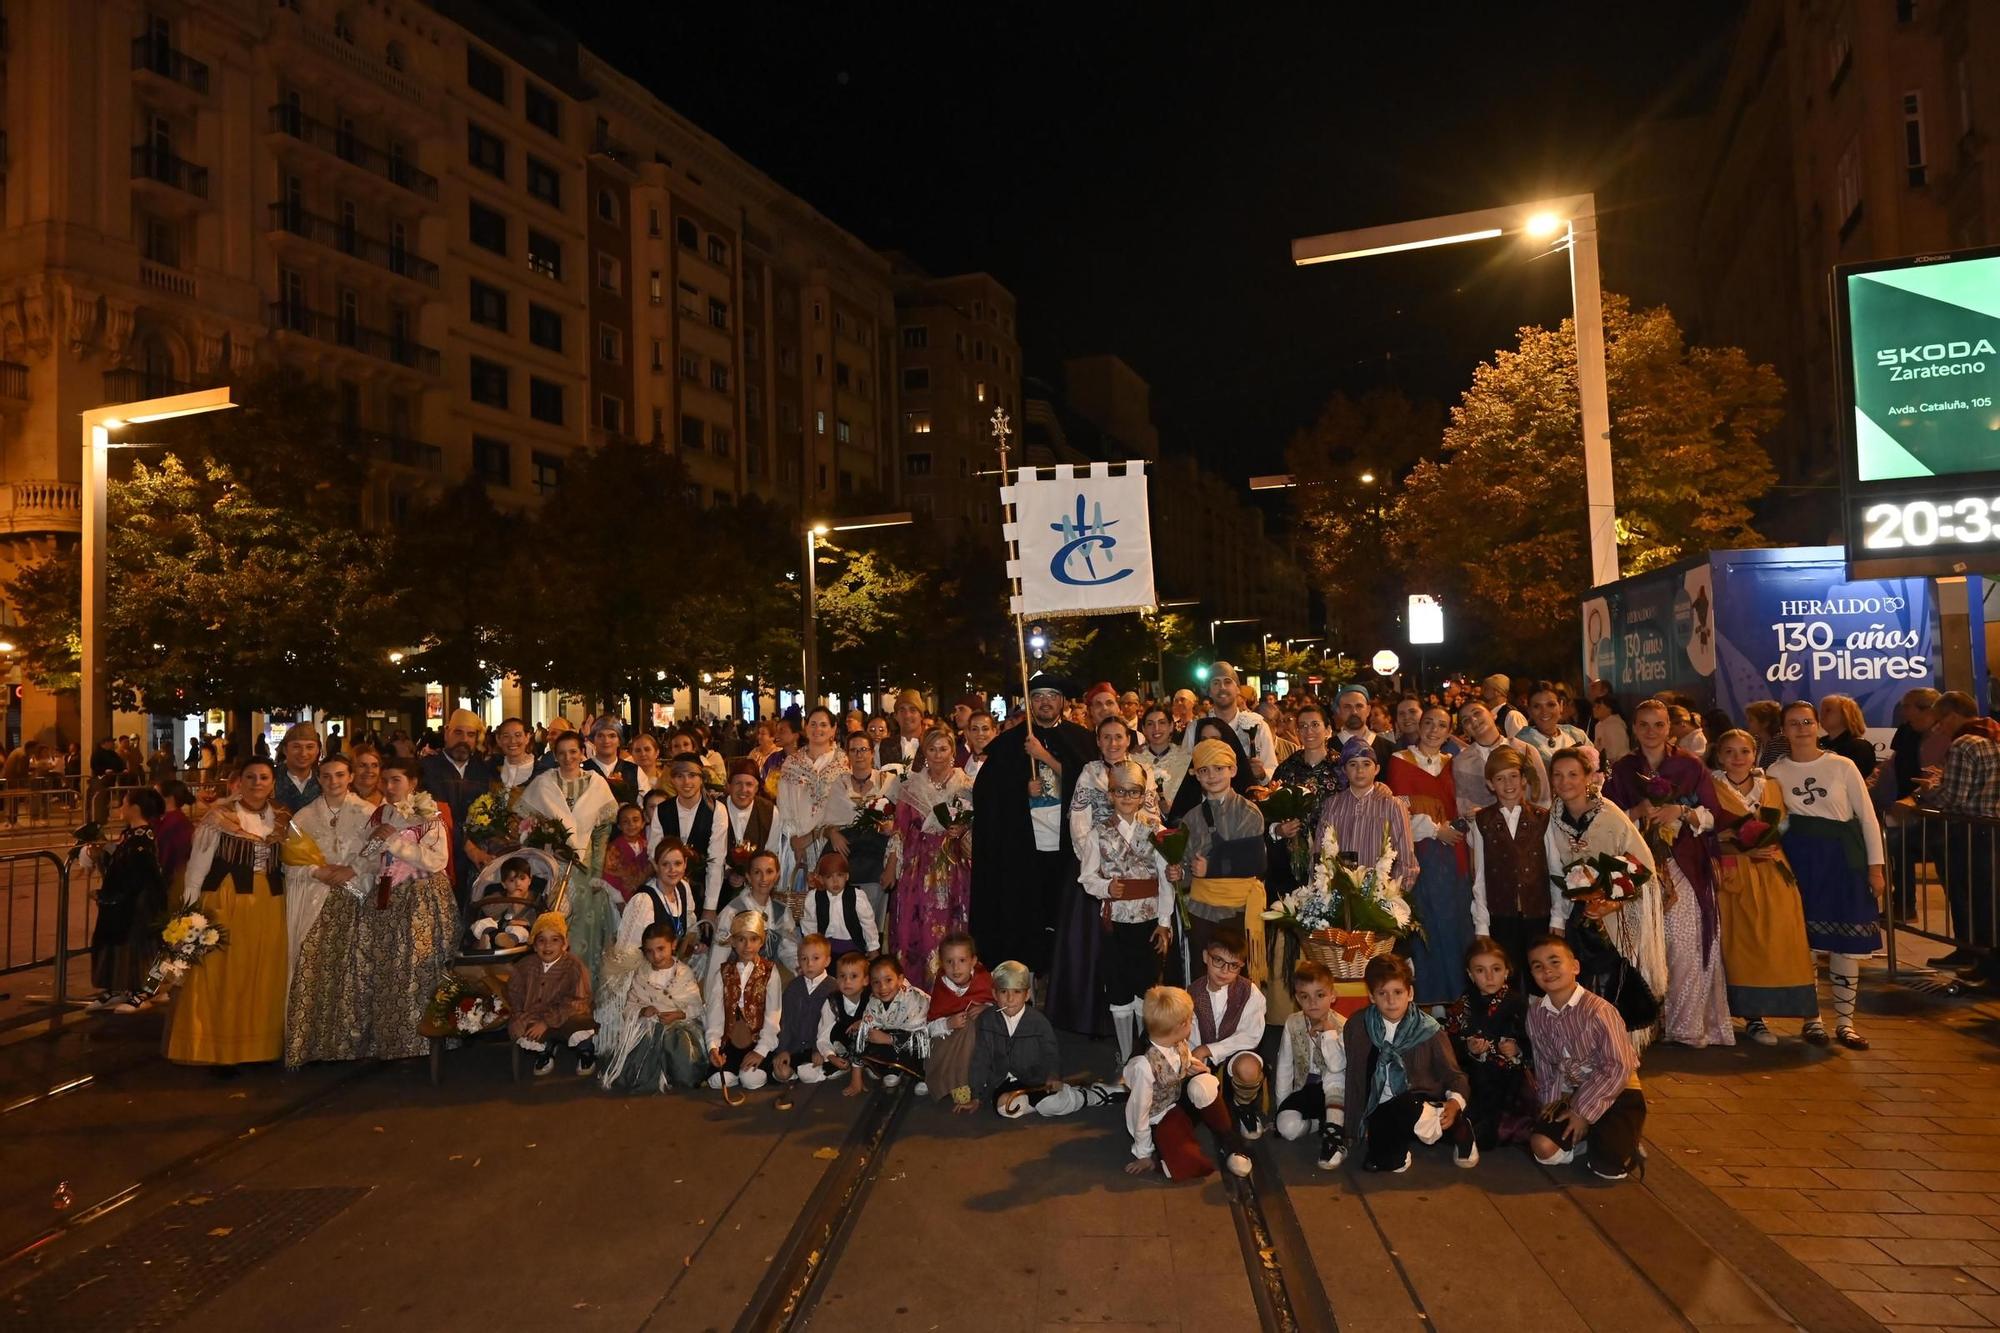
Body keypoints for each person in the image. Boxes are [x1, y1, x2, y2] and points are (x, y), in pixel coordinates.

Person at [309, 757, 457, 1064]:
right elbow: (371, 855)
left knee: (416, 966)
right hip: (387, 898)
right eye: (385, 781)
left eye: (396, 781)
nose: (388, 788)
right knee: (387, 968)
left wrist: (394, 842)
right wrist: (355, 867)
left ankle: (420, 1042)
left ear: (413, 783)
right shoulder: (380, 814)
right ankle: (391, 1041)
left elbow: (435, 861)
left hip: (420, 897)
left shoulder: (428, 814)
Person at [1605, 699, 1730, 1048]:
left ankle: (1686, 1024)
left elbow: (1713, 815)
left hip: (1684, 863)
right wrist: (1637, 810)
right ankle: (1645, 1023)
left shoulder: (1690, 765)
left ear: (1669, 727)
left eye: (1658, 724)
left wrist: (1682, 812)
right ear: (1633, 728)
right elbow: (1608, 817)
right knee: (1645, 944)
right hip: (1640, 865)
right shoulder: (1624, 768)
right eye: (1643, 724)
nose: (1651, 731)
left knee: (1685, 943)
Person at [1768, 700, 1885, 1051]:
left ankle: (1846, 1023)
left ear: (1817, 725)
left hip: (1843, 859)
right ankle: (1813, 1019)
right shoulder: (1775, 772)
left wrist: (1875, 867)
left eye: (1807, 721)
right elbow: (1777, 820)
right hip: (1801, 860)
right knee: (1806, 943)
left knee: (1845, 944)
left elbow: (1866, 817)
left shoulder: (1842, 765)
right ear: (1783, 730)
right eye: (1793, 722)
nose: (1801, 728)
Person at [166, 759, 292, 1069]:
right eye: (250, 777)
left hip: (269, 905)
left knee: (263, 974)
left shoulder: (284, 818)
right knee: (223, 977)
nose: (257, 783)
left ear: (273, 782)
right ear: (238, 781)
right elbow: (197, 869)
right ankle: (220, 1051)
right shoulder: (218, 818)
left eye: (264, 777)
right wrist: (188, 913)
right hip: (225, 902)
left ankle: (259, 1048)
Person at [969, 673, 1092, 982]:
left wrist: (1044, 757)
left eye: (1052, 695)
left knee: (1063, 916)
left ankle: (1064, 980)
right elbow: (986, 795)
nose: (1045, 701)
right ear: (1028, 702)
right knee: (1027, 916)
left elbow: (1089, 784)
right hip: (1025, 848)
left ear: (1063, 701)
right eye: (1038, 696)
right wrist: (1020, 790)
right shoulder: (1009, 744)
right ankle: (1028, 976)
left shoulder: (1081, 739)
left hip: (1068, 848)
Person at [1544, 748, 1666, 1047]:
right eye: (1557, 775)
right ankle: (1585, 1046)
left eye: (1573, 774)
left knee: (1613, 981)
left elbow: (1642, 865)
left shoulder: (1610, 814)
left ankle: (1619, 1048)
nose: (1565, 781)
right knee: (1582, 982)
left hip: (1616, 915)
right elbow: (1554, 868)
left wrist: (1612, 901)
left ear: (1588, 777)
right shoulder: (1553, 819)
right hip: (1578, 915)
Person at [1708, 729, 1818, 1043]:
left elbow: (1782, 825)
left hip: (1771, 870)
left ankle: (1807, 1013)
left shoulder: (1770, 786)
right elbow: (1705, 834)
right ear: (1719, 756)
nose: (1737, 758)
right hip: (1735, 875)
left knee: (1783, 939)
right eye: (1729, 752)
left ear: (1754, 754)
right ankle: (1752, 1017)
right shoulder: (1713, 787)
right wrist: (1738, 847)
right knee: (1742, 945)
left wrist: (1766, 842)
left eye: (1744, 751)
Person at [1525, 935, 1646, 1181]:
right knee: (1543, 1149)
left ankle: (1620, 1138)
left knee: (1608, 1169)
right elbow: (1545, 1065)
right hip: (1573, 1092)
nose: (1547, 970)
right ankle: (1589, 1137)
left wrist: (1582, 1112)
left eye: (1554, 962)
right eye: (1538, 966)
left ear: (1575, 967)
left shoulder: (1600, 1010)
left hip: (1617, 1091)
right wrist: (1550, 1108)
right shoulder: (1536, 1013)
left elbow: (1618, 1066)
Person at [1340, 952, 1476, 1171]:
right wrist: (1353, 1125)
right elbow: (1354, 1077)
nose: (1391, 1001)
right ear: (1372, 996)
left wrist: (1455, 1103)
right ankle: (1400, 1144)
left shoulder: (1429, 1029)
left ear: (1410, 993)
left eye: (1398, 992)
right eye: (1382, 993)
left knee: (1404, 1105)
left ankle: (1459, 1128)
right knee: (1381, 1163)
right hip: (1380, 1106)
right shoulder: (1358, 1026)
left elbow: (1454, 1075)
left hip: (1417, 1100)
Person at [1077, 759, 1174, 1063]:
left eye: (1134, 792)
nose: (1127, 798)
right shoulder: (1097, 833)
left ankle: (1146, 1049)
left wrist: (1164, 922)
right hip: (1116, 923)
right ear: (1110, 795)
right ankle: (1126, 1050)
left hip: (1149, 923)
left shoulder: (1156, 830)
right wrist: (1107, 888)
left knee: (1146, 985)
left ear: (1144, 795)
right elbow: (1087, 877)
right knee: (1118, 986)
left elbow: (1164, 878)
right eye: (1121, 792)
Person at [1384, 709, 1470, 1006]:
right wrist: (1434, 830)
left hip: (1455, 851)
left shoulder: (1454, 763)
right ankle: (1430, 999)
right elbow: (1398, 809)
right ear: (1418, 726)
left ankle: (1458, 998)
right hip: (1419, 851)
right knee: (1426, 923)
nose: (1434, 730)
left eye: (1442, 725)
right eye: (1429, 723)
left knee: (1454, 922)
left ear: (1450, 732)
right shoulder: (1399, 760)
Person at [1121, 985, 1253, 1180]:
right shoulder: (1144, 1065)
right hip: (1159, 1117)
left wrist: (1195, 1067)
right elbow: (1138, 1111)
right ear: (1181, 1026)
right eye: (1191, 1020)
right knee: (1187, 1165)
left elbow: (1184, 1058)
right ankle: (1162, 1153)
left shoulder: (1175, 1040)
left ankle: (1231, 1144)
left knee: (1204, 1083)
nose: (1192, 1023)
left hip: (1177, 1099)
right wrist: (1143, 1154)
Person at [1914, 690, 2000, 977]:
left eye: (1942, 720)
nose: (1940, 727)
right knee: (1988, 897)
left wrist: (1930, 789)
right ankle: (1981, 958)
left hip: (1969, 830)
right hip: (1992, 827)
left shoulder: (1964, 744)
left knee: (1972, 898)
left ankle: (1982, 963)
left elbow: (1954, 797)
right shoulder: (1994, 735)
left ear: (1953, 714)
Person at [1170, 739, 1268, 979]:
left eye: (1219, 768)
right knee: (1202, 974)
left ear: (1233, 770)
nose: (1212, 775)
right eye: (1204, 770)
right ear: (1196, 776)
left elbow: (1253, 862)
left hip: (1239, 909)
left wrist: (1211, 867)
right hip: (1201, 910)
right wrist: (1180, 873)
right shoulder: (1190, 819)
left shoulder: (1249, 812)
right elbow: (1187, 864)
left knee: (1236, 974)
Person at [281, 754, 373, 981]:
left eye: (340, 775)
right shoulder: (304, 817)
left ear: (350, 777)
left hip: (359, 896)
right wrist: (316, 871)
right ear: (319, 780)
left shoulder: (370, 813)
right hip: (315, 899)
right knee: (314, 964)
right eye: (327, 776)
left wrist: (353, 869)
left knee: (355, 966)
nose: (334, 782)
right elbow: (288, 861)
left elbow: (380, 852)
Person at [1467, 748, 1553, 981]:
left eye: (1513, 775)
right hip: (1501, 913)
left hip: (1539, 911)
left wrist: (1558, 917)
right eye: (1500, 778)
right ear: (1490, 784)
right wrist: (1482, 926)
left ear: (1524, 779)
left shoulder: (1542, 817)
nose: (1508, 783)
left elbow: (1554, 870)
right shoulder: (1482, 821)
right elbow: (1481, 877)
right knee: (1510, 976)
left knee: (1541, 975)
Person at [1444, 937, 1536, 1152]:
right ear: (1470, 974)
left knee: (1493, 1128)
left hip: (1509, 1078)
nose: (1489, 977)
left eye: (1496, 969)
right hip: (1474, 1075)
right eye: (1480, 970)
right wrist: (1468, 1048)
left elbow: (1536, 1041)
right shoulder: (1463, 1003)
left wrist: (1518, 1049)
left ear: (1507, 971)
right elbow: (1448, 1041)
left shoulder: (1518, 1003)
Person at [968, 959, 1090, 1118]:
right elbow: (980, 1058)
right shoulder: (987, 1020)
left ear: (1027, 994)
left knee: (1053, 1106)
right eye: (1004, 991)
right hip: (1002, 1081)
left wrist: (1053, 1075)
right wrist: (976, 1095)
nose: (1010, 999)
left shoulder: (1038, 1022)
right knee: (1004, 1108)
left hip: (1036, 1080)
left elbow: (1051, 1053)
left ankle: (1084, 1096)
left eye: (1017, 992)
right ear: (994, 994)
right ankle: (1034, 1103)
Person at [598, 919, 706, 1092]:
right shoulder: (642, 974)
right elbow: (629, 1006)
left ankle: (674, 1071)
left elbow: (697, 1006)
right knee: (639, 1058)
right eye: (649, 951)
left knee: (680, 1054)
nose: (656, 956)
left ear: (673, 944)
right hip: (647, 1028)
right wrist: (642, 1011)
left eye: (661, 949)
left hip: (678, 1027)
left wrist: (678, 1014)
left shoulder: (684, 973)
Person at [1183, 925, 1267, 1139]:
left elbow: (1251, 1035)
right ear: (1205, 957)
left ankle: (1244, 1106)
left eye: (1233, 966)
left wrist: (1210, 1049)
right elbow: (1189, 1036)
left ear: (1241, 967)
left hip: (1237, 1049)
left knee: (1248, 1068)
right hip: (1201, 1051)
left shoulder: (1250, 992)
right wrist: (1195, 1058)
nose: (1224, 971)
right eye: (1218, 961)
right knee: (1190, 1083)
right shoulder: (1191, 993)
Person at [84, 789, 166, 1003]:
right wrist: (102, 855)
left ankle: (144, 989)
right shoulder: (131, 835)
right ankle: (119, 987)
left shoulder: (142, 841)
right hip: (126, 902)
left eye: (124, 803)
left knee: (138, 945)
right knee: (118, 943)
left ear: (135, 808)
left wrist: (108, 895)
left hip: (137, 904)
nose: (120, 807)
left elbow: (135, 877)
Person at [1272, 960, 1349, 1170]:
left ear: (1333, 996)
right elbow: (1285, 1066)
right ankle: (1318, 1123)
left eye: (1320, 995)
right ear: (1297, 998)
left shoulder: (1343, 1026)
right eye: (1305, 996)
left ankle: (1334, 1137)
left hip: (1337, 1094)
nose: (1312, 1002)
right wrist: (1282, 1106)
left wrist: (1330, 1033)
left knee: (1334, 1075)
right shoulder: (1293, 1023)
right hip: (1306, 1089)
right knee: (1287, 1128)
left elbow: (1337, 1065)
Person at [506, 912, 598, 1077]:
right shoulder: (525, 966)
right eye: (542, 941)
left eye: (555, 940)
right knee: (524, 1026)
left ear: (564, 945)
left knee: (579, 1021)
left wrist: (547, 1022)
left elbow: (577, 1000)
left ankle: (585, 1050)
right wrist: (518, 1015)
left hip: (567, 1012)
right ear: (534, 946)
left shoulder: (573, 966)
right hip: (536, 1013)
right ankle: (546, 1049)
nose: (547, 946)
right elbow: (515, 993)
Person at [703, 909, 782, 1093]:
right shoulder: (722, 973)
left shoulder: (770, 972)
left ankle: (749, 1070)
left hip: (757, 1040)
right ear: (732, 942)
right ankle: (733, 1069)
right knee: (718, 1080)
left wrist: (760, 1051)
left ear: (761, 942)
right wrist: (713, 1047)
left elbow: (773, 1016)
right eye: (741, 939)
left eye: (753, 939)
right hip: (730, 1042)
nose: (748, 946)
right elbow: (715, 1015)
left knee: (751, 1079)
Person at [421, 710, 497, 890]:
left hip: (478, 860)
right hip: (438, 858)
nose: (464, 739)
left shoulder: (484, 772)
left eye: (471, 734)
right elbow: (432, 815)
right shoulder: (426, 770)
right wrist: (469, 848)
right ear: (447, 733)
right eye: (458, 732)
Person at [777, 706, 850, 891]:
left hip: (831, 841)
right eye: (813, 724)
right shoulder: (791, 763)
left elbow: (847, 806)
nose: (818, 729)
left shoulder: (844, 763)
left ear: (833, 729)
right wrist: (794, 838)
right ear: (805, 727)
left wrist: (822, 833)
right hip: (798, 841)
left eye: (824, 725)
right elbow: (784, 804)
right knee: (799, 904)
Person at [835, 729, 899, 929]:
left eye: (863, 749)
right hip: (847, 855)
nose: (859, 754)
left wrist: (890, 825)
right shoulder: (839, 783)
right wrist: (832, 833)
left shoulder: (889, 781)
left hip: (877, 858)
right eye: (853, 750)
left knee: (872, 922)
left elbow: (902, 821)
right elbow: (828, 819)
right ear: (847, 755)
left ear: (872, 752)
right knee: (846, 920)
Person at [922, 932, 995, 1103]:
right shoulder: (942, 987)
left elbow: (1002, 1007)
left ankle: (981, 1077)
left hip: (978, 1043)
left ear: (973, 961)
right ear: (941, 963)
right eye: (949, 962)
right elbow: (929, 1029)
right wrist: (948, 1023)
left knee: (977, 1023)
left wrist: (986, 1008)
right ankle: (957, 1082)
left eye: (962, 961)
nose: (956, 968)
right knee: (965, 1026)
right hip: (948, 1046)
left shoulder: (984, 979)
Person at [651, 752, 728, 911]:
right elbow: (654, 853)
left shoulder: (716, 810)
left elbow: (717, 860)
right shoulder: (662, 810)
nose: (686, 782)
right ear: (672, 780)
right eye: (679, 776)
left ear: (701, 778)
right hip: (669, 891)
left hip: (704, 890)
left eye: (692, 775)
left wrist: (710, 907)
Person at [713, 849, 800, 976]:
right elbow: (718, 956)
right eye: (757, 872)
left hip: (769, 977)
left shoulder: (781, 911)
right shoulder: (734, 911)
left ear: (777, 875)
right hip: (736, 980)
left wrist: (797, 967)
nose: (764, 878)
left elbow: (788, 949)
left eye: (769, 872)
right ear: (748, 876)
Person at [1185, 662, 1276, 783]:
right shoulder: (1195, 728)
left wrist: (1262, 774)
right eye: (1216, 683)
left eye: (1227, 682)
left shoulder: (1257, 725)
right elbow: (1184, 772)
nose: (1222, 687)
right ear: (1209, 691)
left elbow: (1271, 768)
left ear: (1238, 689)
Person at [1453, 703, 1548, 818]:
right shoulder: (1462, 763)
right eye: (1466, 720)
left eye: (1477, 712)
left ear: (1493, 715)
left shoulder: (1525, 750)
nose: (1473, 720)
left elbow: (1544, 798)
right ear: (1465, 731)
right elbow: (1464, 809)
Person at [856, 952, 931, 1089]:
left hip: (923, 1040)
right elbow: (866, 1029)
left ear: (900, 979)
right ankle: (893, 1068)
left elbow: (922, 1038)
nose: (882, 987)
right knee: (863, 1035)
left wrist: (888, 1039)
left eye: (888, 980)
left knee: (922, 1050)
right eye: (876, 982)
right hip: (895, 1036)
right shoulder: (873, 1001)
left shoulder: (915, 1000)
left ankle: (921, 1075)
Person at [770, 935, 837, 1087]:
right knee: (781, 1073)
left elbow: (831, 1027)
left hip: (819, 1049)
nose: (809, 964)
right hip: (795, 1048)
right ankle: (792, 1073)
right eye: (804, 959)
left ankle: (822, 1070)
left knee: (809, 1074)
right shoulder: (793, 987)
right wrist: (783, 1049)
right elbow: (785, 1021)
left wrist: (819, 1049)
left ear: (827, 961)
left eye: (815, 958)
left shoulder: (833, 988)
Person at [811, 950, 874, 1094]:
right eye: (842, 976)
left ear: (865, 980)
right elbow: (823, 1035)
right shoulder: (833, 1001)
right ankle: (843, 1063)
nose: (847, 982)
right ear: (836, 978)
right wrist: (831, 1056)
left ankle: (869, 1064)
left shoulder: (872, 998)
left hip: (869, 1045)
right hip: (843, 1044)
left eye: (854, 976)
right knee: (836, 1031)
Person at [800, 850, 879, 960]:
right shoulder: (814, 898)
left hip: (853, 949)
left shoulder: (857, 896)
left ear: (847, 876)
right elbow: (810, 923)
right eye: (829, 877)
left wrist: (873, 948)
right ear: (821, 879)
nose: (835, 881)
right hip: (825, 950)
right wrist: (811, 946)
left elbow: (868, 923)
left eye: (840, 875)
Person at [464, 855, 543, 954]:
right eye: (511, 880)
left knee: (520, 931)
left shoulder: (535, 898)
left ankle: (508, 942)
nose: (518, 884)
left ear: (530, 880)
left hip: (516, 930)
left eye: (522, 879)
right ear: (504, 884)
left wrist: (527, 922)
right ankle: (486, 941)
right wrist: (508, 901)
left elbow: (541, 918)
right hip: (496, 929)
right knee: (481, 923)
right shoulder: (498, 896)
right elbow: (486, 909)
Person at [1517, 682, 1590, 766]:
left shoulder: (1576, 735)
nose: (1544, 711)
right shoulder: (1521, 744)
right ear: (1529, 711)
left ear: (1561, 706)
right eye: (1537, 706)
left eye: (1550, 705)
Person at [1331, 684, 1397, 777]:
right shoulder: (1328, 749)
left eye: (1359, 706)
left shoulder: (1389, 749)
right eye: (1347, 707)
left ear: (1368, 710)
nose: (1354, 712)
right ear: (1338, 711)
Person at [1137, 705, 1189, 809]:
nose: (1156, 728)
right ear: (1144, 729)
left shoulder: (1186, 759)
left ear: (1171, 726)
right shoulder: (1135, 760)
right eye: (1150, 724)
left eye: (1162, 723)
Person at [1818, 694, 1878, 782]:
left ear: (1846, 714)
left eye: (1828, 710)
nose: (1822, 715)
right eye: (1821, 710)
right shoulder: (1819, 743)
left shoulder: (1859, 747)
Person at [583, 715, 641, 803]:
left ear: (619, 741)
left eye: (612, 736)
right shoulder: (583, 769)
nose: (606, 741)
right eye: (600, 736)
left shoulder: (634, 771)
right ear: (593, 740)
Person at [601, 802, 651, 901]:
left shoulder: (646, 845)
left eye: (635, 820)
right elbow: (609, 878)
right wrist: (619, 901)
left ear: (643, 823)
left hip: (644, 897)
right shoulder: (614, 848)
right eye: (625, 821)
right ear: (619, 826)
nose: (631, 824)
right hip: (620, 899)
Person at [270, 723, 322, 812]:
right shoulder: (270, 778)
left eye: (310, 747)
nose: (303, 753)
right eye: (296, 747)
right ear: (285, 750)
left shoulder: (324, 779)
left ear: (317, 750)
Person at [1590, 694, 1632, 765]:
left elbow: (1616, 752)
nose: (1594, 709)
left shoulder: (1615, 724)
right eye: (1594, 706)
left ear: (1609, 709)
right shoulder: (1598, 725)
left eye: (1599, 706)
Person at [1480, 675, 1526, 739]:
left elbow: (1520, 746)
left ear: (1497, 692)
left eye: (1486, 689)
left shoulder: (1512, 715)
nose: (1481, 692)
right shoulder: (1489, 714)